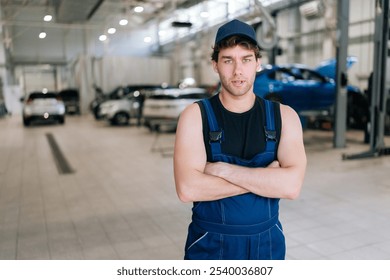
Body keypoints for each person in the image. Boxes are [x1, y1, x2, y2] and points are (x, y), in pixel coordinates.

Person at [173, 19, 307, 260]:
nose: (237, 71)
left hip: (267, 244)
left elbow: (291, 187)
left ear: (257, 63)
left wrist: (221, 170)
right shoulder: (195, 116)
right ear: (215, 64)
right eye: (228, 60)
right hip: (209, 244)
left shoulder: (284, 117)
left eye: (246, 59)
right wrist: (266, 179)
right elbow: (187, 189)